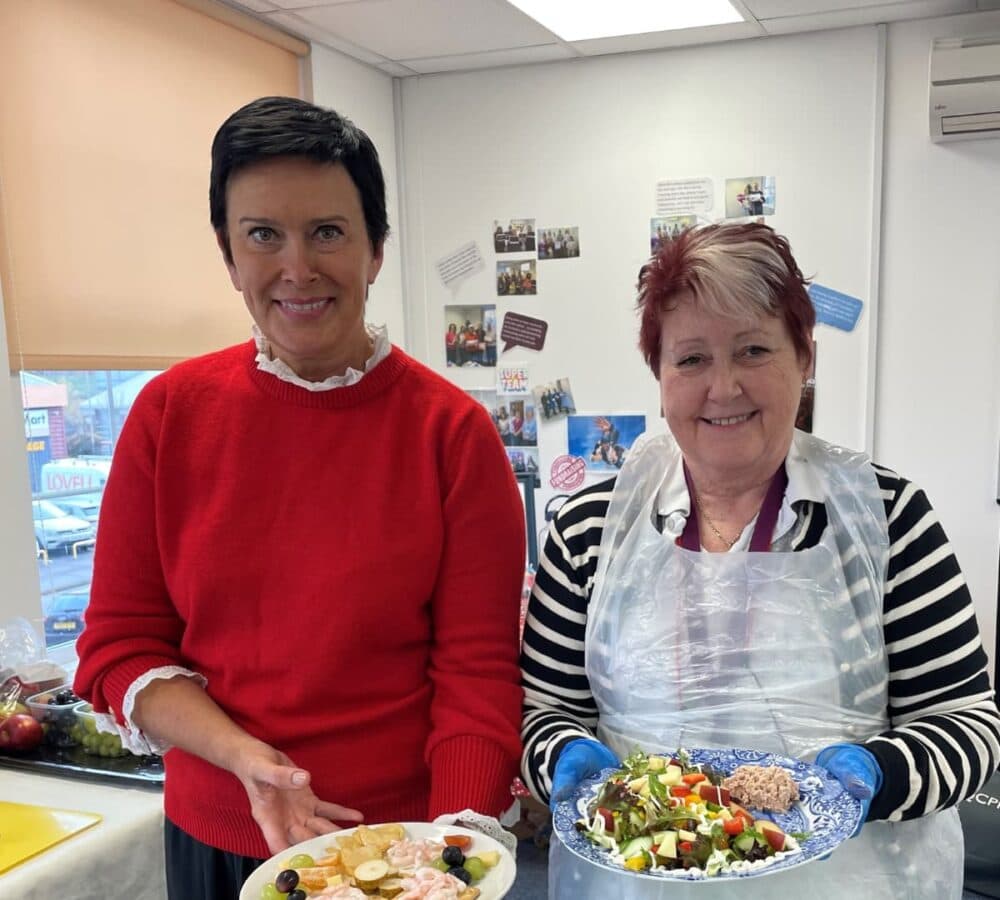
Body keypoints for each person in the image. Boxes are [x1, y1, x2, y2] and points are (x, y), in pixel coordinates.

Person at [73, 96, 526, 900]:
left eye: (327, 232)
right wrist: (245, 759)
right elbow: (120, 648)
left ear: (376, 249)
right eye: (262, 236)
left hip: (406, 847)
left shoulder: (451, 434)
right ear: (227, 252)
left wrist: (459, 842)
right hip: (216, 837)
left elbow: (476, 672)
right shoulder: (168, 416)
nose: (297, 268)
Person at [519, 222, 1000, 899]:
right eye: (691, 359)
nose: (724, 387)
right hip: (633, 879)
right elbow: (544, 707)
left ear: (805, 357)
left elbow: (967, 722)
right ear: (658, 374)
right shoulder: (590, 527)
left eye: (753, 350)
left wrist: (878, 772)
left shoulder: (885, 517)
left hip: (846, 882)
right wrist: (562, 757)